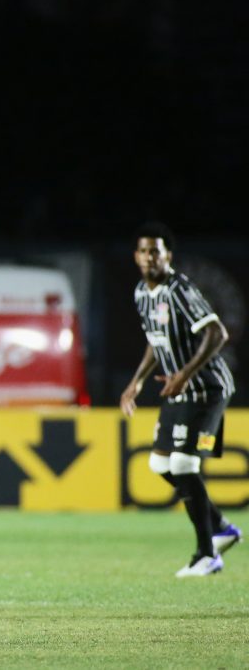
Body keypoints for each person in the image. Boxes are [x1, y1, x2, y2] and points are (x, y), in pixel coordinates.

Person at [120, 222, 241, 577]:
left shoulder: (179, 290)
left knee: (185, 465)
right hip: (179, 388)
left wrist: (185, 374)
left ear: (168, 256)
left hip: (206, 388)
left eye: (155, 251)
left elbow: (217, 332)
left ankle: (207, 554)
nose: (149, 257)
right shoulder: (143, 293)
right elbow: (156, 341)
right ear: (135, 256)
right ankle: (220, 526)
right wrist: (136, 383)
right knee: (160, 465)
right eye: (143, 251)